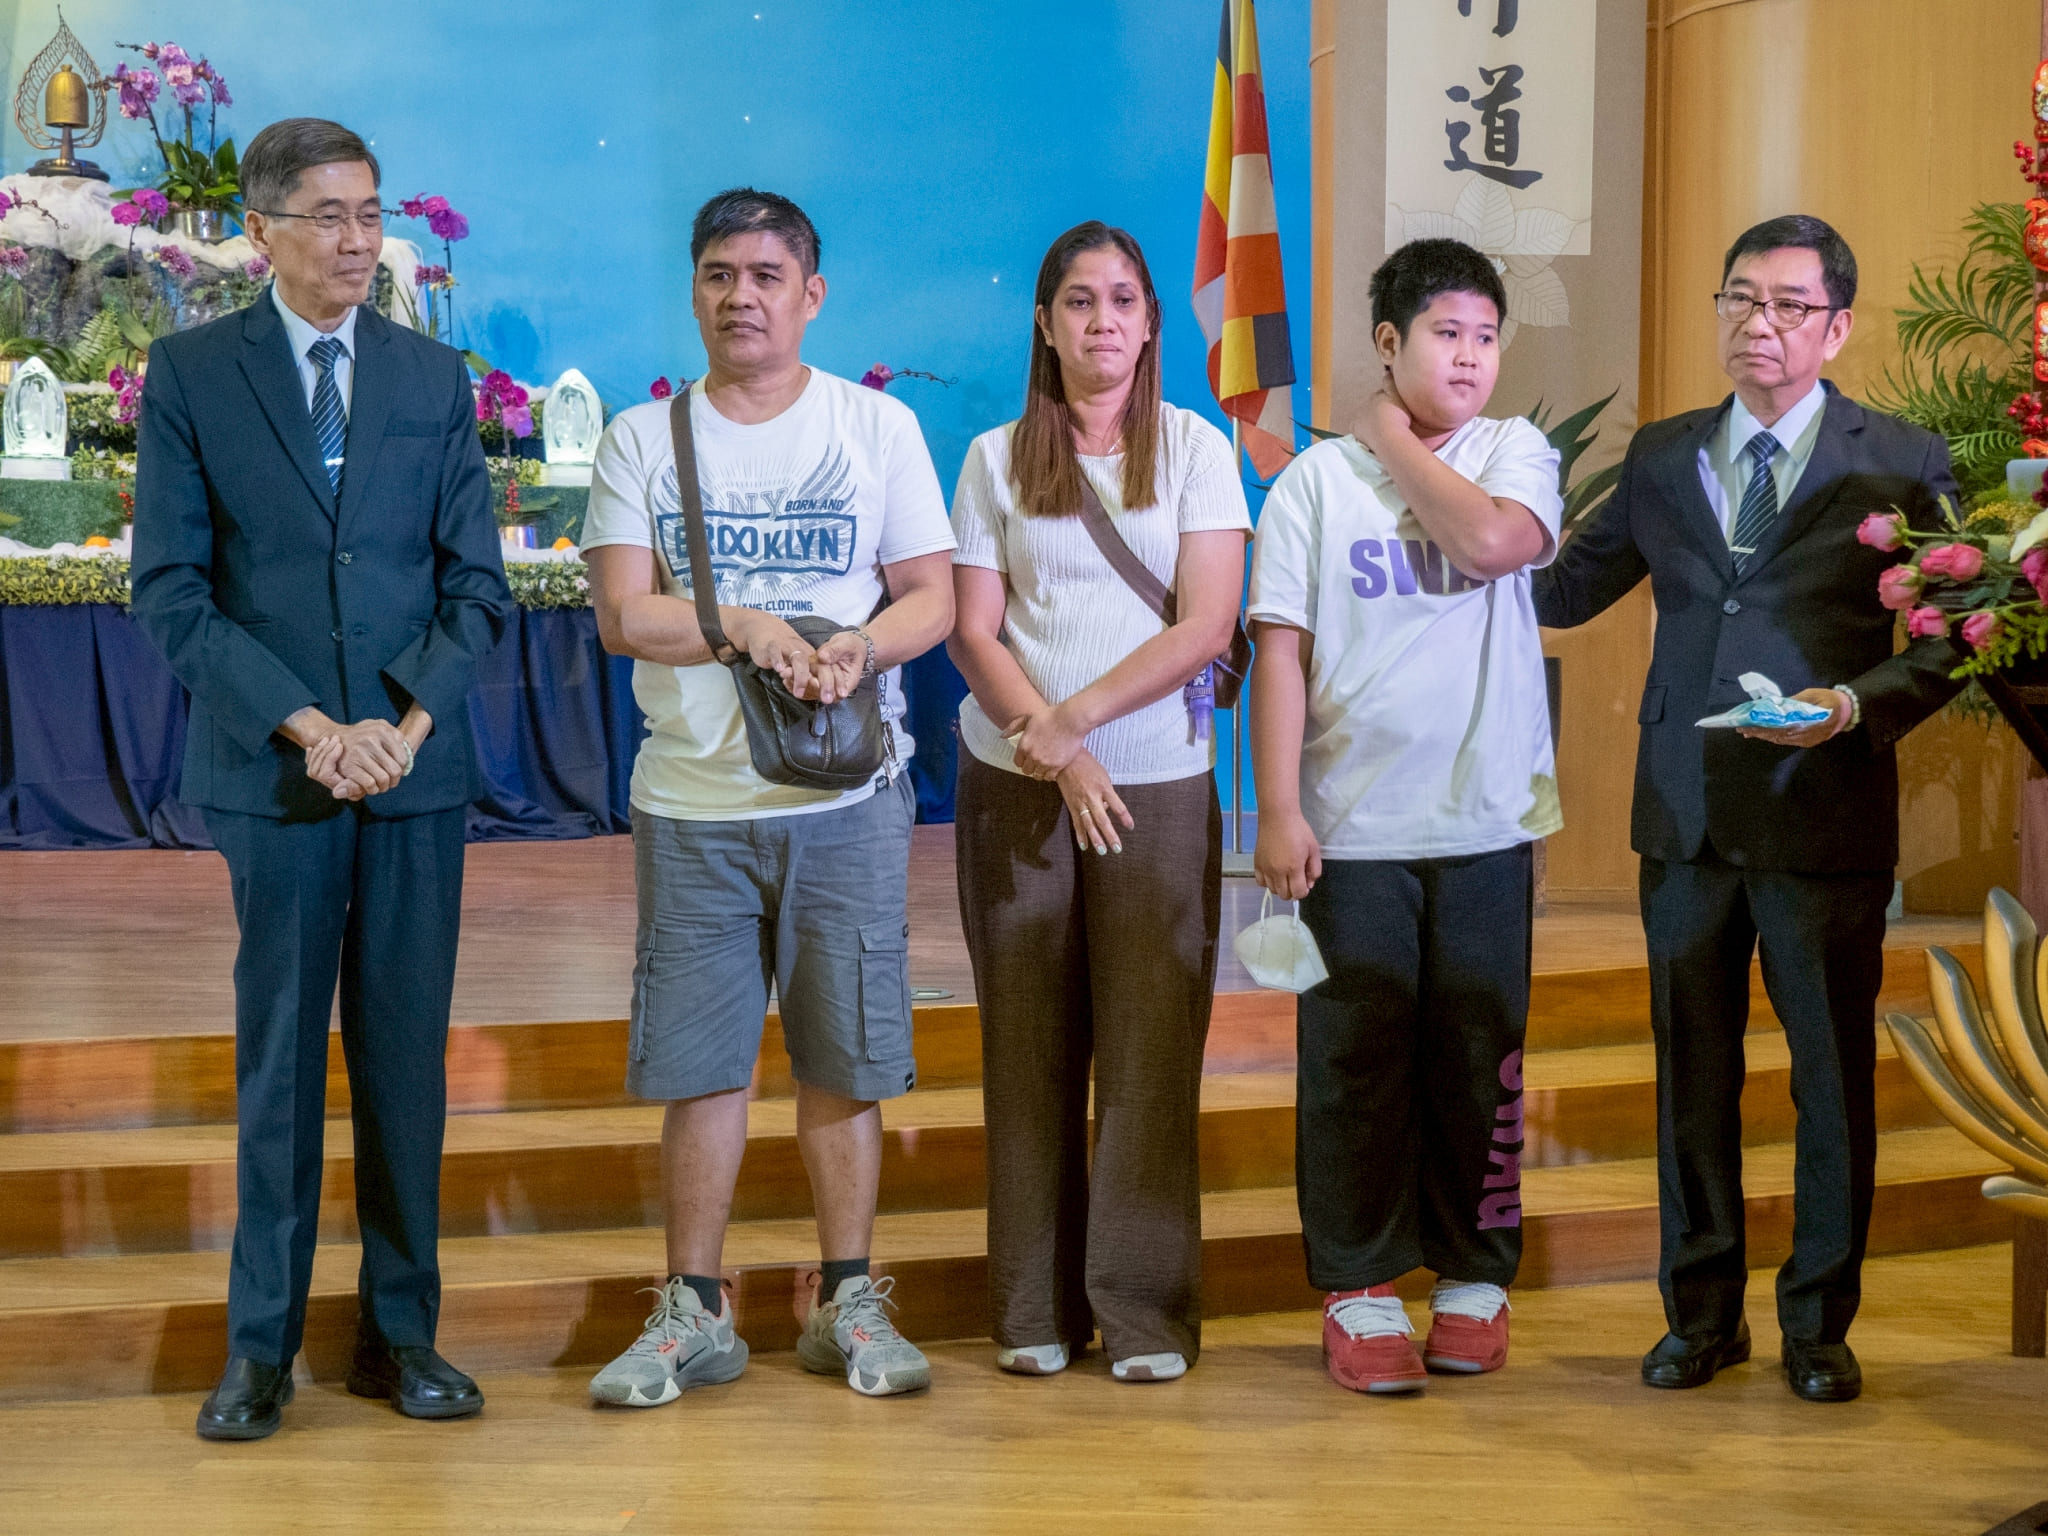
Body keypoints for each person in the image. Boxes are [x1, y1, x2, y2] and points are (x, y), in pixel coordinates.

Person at [1533, 215, 1963, 1404]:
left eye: (1783, 306)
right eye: (1737, 300)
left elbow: (1945, 639)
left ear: (1833, 326)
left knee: (1827, 1079)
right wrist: (1439, 526)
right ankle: (1700, 1316)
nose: (1755, 326)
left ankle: (1818, 1327)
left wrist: (1849, 705)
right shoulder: (1663, 456)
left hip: (1818, 810)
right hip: (1683, 820)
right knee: (1690, 1077)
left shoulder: (1901, 460)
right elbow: (1565, 588)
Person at [131, 117, 512, 1441]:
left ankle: (402, 1340)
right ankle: (259, 1351)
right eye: (331, 216)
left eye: (372, 214)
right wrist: (310, 727)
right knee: (280, 1070)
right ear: (261, 230)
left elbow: (477, 587)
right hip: (278, 781)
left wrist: (400, 726)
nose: (361, 240)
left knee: (406, 1067)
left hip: (412, 775)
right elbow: (172, 594)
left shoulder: (431, 374)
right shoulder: (190, 373)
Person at [581, 187, 957, 1404]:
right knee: (702, 1068)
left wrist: (857, 646)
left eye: (763, 274)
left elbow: (931, 597)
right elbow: (620, 615)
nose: (739, 296)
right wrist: (738, 621)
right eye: (716, 275)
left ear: (810, 293)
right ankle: (692, 1311)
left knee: (844, 1059)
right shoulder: (646, 438)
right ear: (693, 290)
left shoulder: (874, 427)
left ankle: (843, 1297)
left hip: (844, 801)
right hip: (691, 804)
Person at [1248, 238, 1562, 1396]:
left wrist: (1385, 433)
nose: (1471, 357)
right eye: (1445, 334)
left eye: (1485, 336)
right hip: (1352, 828)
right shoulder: (1309, 488)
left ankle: (1473, 1278)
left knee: (1481, 1048)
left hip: (1484, 821)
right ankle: (1360, 1285)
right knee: (1355, 1060)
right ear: (1388, 343)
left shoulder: (1514, 453)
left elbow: (1489, 545)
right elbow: (1277, 650)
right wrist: (1277, 808)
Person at [948, 221, 1251, 1383]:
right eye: (1078, 301)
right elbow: (974, 630)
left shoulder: (1194, 450)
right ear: (1044, 323)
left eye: (1123, 300)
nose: (1102, 321)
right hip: (1016, 783)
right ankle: (1030, 1308)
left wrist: (1079, 725)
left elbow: (1205, 624)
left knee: (1146, 1051)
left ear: (1151, 324)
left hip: (1158, 786)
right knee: (1026, 1049)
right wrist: (1051, 745)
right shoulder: (989, 458)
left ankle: (1140, 1313)